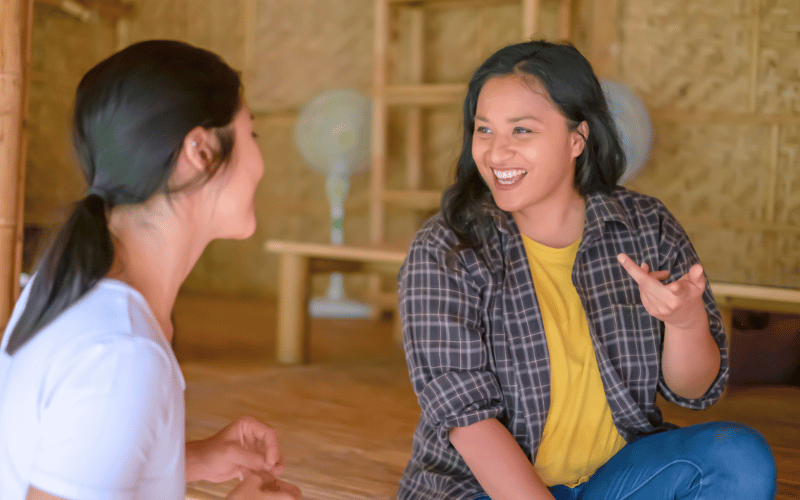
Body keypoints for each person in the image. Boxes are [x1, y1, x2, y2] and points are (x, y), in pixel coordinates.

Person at [397, 40, 776, 500]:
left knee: (738, 456)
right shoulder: (446, 247)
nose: (496, 154)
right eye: (483, 130)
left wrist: (685, 321)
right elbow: (468, 421)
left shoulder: (645, 227)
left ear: (577, 137)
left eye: (521, 132)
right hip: (481, 491)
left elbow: (694, 390)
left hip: (615, 480)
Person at [0, 40, 301, 500]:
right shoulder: (122, 355)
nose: (259, 162)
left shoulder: (71, 286)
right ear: (199, 150)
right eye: (251, 136)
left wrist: (185, 460)